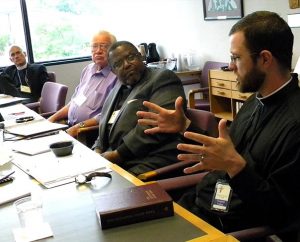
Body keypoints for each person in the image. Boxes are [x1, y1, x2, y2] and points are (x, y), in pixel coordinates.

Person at [137, 11, 300, 237]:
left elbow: (282, 215)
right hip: (199, 205)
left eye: (236, 57)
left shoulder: (295, 124)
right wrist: (186, 127)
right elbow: (224, 153)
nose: (230, 66)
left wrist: (236, 168)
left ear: (265, 59)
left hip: (223, 226)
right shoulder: (255, 100)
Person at [92, 40, 186, 176]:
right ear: (113, 71)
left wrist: (118, 154)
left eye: (130, 57)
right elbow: (105, 125)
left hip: (148, 158)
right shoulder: (118, 87)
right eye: (118, 64)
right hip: (113, 157)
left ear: (141, 56)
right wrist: (97, 150)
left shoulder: (162, 78)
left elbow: (156, 126)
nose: (126, 65)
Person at [48, 31, 118, 146]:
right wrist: (51, 119)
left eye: (104, 46)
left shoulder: (117, 76)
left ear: (113, 50)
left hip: (89, 134)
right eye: (94, 46)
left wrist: (78, 127)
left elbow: (107, 115)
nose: (98, 50)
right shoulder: (88, 70)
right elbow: (75, 101)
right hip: (70, 127)